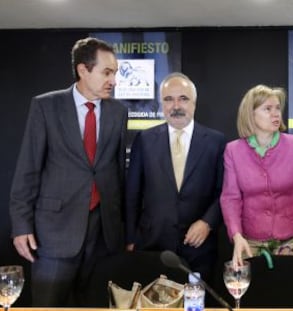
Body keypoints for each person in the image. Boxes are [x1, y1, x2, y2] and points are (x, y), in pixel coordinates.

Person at [9, 37, 128, 306]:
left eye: (115, 73)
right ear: (83, 70)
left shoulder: (118, 112)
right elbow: (28, 169)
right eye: (107, 72)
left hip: (104, 236)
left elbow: (118, 173)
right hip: (53, 233)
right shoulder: (45, 106)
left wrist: (125, 230)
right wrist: (20, 225)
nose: (113, 80)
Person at [125, 72, 226, 278]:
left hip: (199, 247)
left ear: (194, 104)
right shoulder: (144, 140)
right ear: (161, 104)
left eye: (183, 98)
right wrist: (130, 239)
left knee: (195, 309)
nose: (176, 106)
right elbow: (132, 193)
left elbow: (224, 191)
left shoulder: (216, 142)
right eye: (168, 99)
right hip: (153, 245)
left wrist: (207, 222)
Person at [220, 84, 293, 266]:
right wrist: (236, 235)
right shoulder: (233, 150)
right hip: (250, 242)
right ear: (251, 114)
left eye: (278, 108)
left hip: (292, 240)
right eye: (267, 109)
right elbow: (231, 198)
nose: (276, 113)